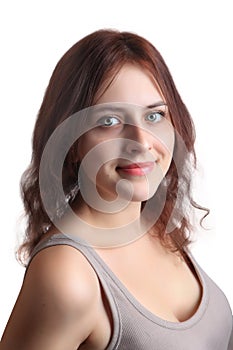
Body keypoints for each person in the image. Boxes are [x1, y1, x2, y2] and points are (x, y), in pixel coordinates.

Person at [0, 29, 232, 350]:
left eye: (154, 115)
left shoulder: (155, 228)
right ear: (71, 142)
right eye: (109, 121)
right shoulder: (67, 275)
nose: (141, 142)